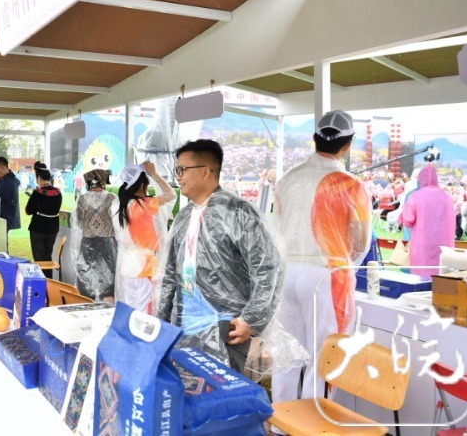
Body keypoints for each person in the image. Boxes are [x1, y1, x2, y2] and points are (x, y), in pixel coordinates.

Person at [271, 110, 372, 404]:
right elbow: (360, 243)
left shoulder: (287, 180)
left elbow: (276, 227)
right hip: (326, 275)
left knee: (287, 354)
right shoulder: (351, 185)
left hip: (286, 272)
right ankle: (315, 422)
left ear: (315, 138)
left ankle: (281, 421)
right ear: (347, 145)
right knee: (325, 356)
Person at [158, 139, 283, 373]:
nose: (178, 177)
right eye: (177, 170)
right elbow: (169, 274)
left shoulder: (238, 212)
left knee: (221, 389)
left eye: (182, 169)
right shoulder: (184, 216)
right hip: (184, 323)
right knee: (187, 386)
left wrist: (251, 319)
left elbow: (268, 268)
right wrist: (162, 321)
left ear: (205, 171)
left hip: (226, 327)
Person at [114, 162, 176, 314]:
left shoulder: (118, 205)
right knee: (144, 311)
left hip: (127, 265)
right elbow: (171, 195)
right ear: (142, 186)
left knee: (130, 307)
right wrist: (154, 174)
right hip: (144, 266)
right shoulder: (144, 204)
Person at [398, 164, 455, 276]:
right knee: (442, 277)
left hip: (423, 245)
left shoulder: (415, 196)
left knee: (421, 276)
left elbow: (407, 220)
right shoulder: (446, 196)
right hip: (445, 247)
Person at [73, 169, 119, 302]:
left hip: (88, 244)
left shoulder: (82, 199)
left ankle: (87, 309)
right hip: (108, 245)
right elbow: (118, 223)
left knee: (86, 282)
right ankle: (107, 311)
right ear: (103, 181)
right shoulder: (112, 198)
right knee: (108, 284)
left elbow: (78, 222)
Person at [25, 161, 63, 275]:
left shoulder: (37, 192)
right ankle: (49, 281)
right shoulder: (58, 192)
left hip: (38, 228)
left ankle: (42, 282)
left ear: (39, 178)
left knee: (39, 259)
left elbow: (28, 211)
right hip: (52, 229)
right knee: (47, 257)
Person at [0, 156, 21, 248]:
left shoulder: (7, 183)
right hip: (8, 218)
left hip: (4, 218)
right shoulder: (10, 179)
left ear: (4, 168)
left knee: (1, 244)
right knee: (2, 243)